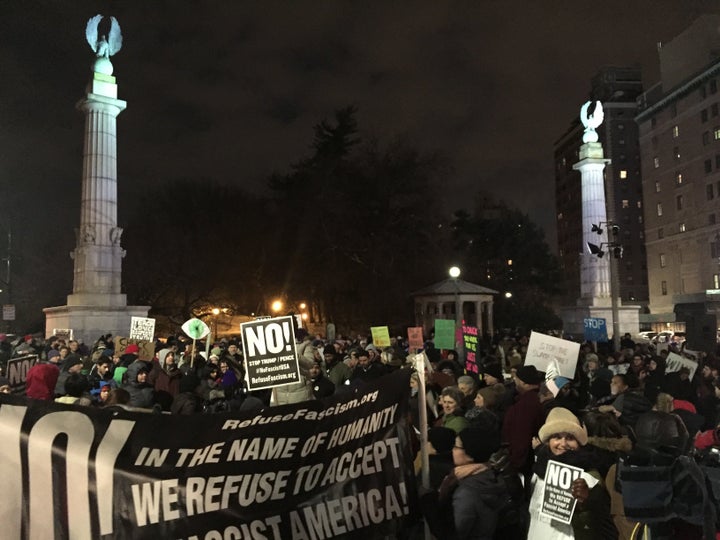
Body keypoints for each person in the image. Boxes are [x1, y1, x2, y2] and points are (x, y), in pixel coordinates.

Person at [528, 407, 617, 539]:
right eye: (556, 437)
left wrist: (589, 500)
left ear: (579, 442)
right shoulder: (539, 469)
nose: (563, 444)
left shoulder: (589, 476)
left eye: (570, 438)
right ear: (548, 441)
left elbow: (605, 525)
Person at [502, 364, 545, 480]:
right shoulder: (534, 399)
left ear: (523, 382)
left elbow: (521, 436)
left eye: (516, 379)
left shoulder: (526, 406)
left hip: (526, 464)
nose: (514, 382)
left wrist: (516, 464)